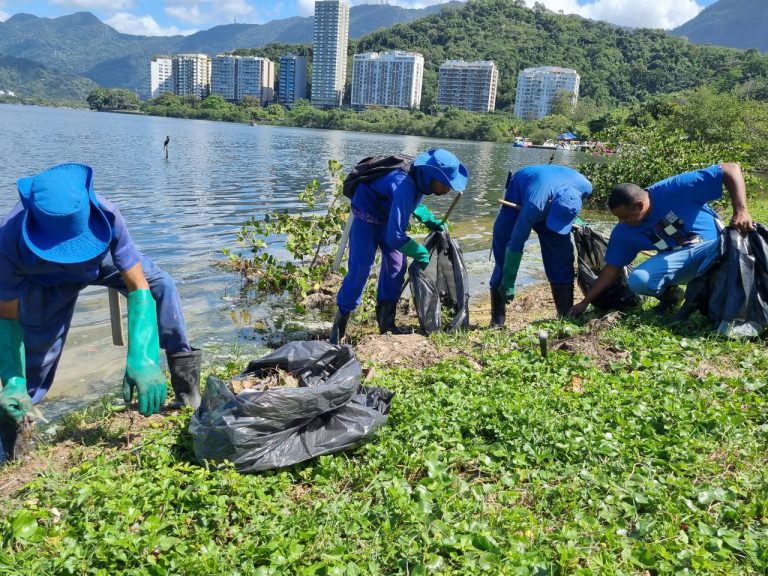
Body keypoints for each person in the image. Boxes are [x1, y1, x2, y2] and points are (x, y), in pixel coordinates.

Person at [0, 163, 202, 462]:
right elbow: (7, 317)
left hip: (99, 262)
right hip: (42, 282)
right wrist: (12, 380)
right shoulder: (8, 239)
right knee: (35, 359)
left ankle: (188, 392)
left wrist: (143, 358)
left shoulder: (107, 213)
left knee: (163, 287)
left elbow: (138, 286)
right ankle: (15, 439)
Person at [569, 162, 754, 319]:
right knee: (638, 280)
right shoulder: (623, 232)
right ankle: (672, 297)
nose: (621, 222)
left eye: (625, 217)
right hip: (679, 258)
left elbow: (730, 168)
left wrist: (741, 210)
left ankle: (708, 291)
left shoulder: (677, 188)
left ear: (639, 205)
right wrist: (585, 302)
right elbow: (611, 270)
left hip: (714, 248)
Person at [330, 149, 469, 344]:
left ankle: (386, 325)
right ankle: (339, 327)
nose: (448, 190)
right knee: (360, 271)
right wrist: (418, 251)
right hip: (365, 216)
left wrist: (428, 218)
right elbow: (395, 236)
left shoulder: (419, 177)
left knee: (396, 267)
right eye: (446, 185)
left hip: (387, 215)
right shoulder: (402, 182)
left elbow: (409, 201)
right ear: (433, 177)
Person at [490, 164, 592, 326]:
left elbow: (571, 206)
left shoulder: (586, 187)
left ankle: (565, 315)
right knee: (504, 247)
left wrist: (570, 219)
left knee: (561, 255)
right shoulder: (534, 205)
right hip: (520, 192)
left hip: (552, 196)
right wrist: (509, 281)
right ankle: (497, 321)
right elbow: (516, 244)